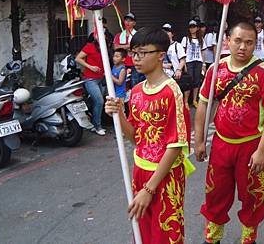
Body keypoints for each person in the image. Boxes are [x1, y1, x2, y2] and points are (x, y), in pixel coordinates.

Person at [195, 22, 264, 244]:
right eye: (238, 40)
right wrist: (199, 141)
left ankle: (248, 238)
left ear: (256, 44)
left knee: (252, 195)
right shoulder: (216, 70)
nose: (243, 46)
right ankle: (212, 238)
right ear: (228, 40)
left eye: (249, 42)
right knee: (216, 194)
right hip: (221, 144)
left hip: (251, 146)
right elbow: (204, 105)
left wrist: (262, 150)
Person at [105, 27, 192, 243]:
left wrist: (149, 189)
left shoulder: (171, 91)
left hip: (165, 176)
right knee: (142, 233)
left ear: (161, 55)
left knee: (165, 234)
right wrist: (120, 114)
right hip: (140, 170)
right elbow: (136, 137)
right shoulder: (136, 91)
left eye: (142, 53)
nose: (136, 58)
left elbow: (175, 145)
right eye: (133, 53)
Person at [75, 35, 106, 135]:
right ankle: (97, 126)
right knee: (99, 101)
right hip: (90, 79)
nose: (103, 35)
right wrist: (90, 67)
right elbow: (78, 58)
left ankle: (93, 123)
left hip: (101, 78)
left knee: (97, 102)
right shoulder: (89, 46)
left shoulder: (105, 46)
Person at [114, 12, 144, 86]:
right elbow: (115, 47)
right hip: (122, 63)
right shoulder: (119, 35)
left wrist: (122, 46)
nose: (128, 22)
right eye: (126, 20)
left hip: (134, 62)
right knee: (121, 85)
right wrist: (129, 46)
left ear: (134, 23)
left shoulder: (137, 34)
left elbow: (138, 47)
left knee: (135, 84)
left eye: (130, 20)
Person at [181, 19, 206, 106]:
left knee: (196, 81)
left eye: (194, 27)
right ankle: (186, 101)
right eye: (190, 27)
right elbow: (183, 52)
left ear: (197, 28)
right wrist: (184, 64)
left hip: (198, 61)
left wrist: (204, 64)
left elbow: (202, 52)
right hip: (189, 62)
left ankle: (195, 100)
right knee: (188, 81)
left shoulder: (201, 39)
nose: (192, 29)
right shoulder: (186, 39)